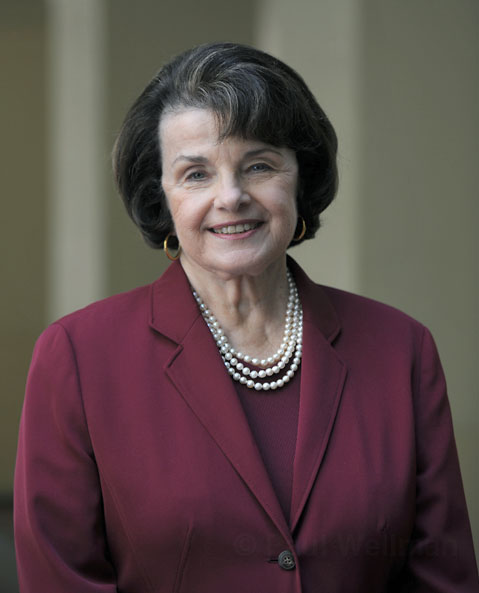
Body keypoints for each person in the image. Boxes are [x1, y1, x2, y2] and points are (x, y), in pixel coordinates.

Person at [14, 42, 478, 593]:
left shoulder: (402, 350)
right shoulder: (78, 357)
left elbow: (443, 576)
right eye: (196, 174)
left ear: (300, 178)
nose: (231, 196)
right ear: (160, 197)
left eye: (258, 166)